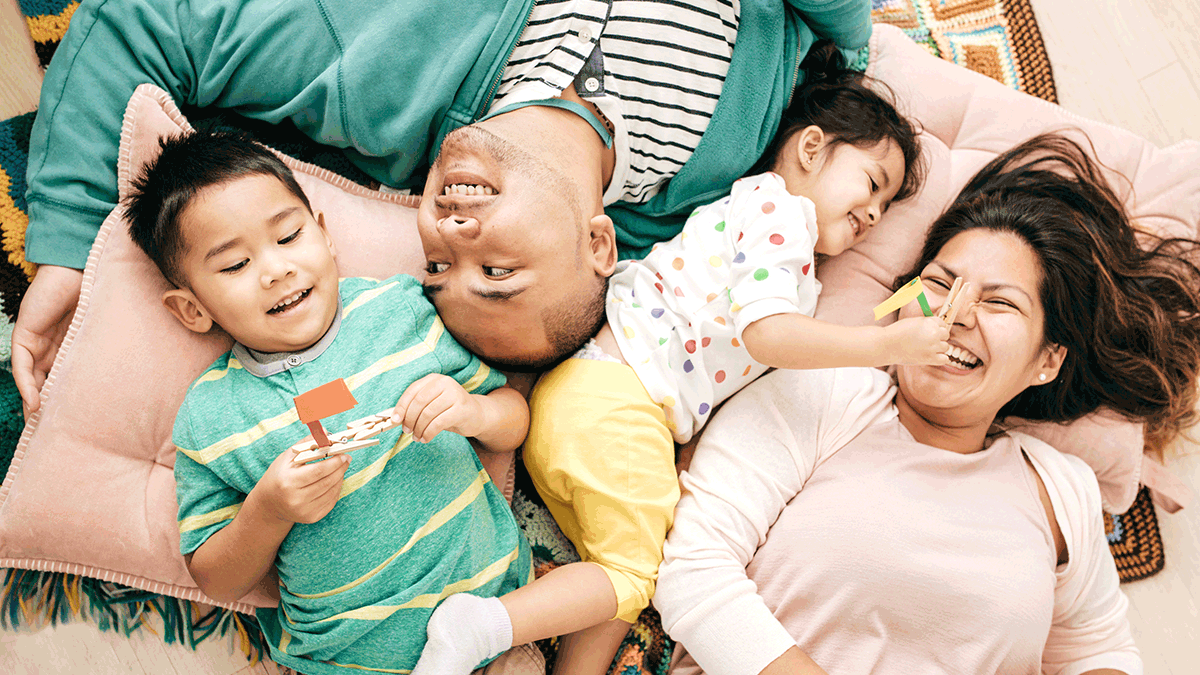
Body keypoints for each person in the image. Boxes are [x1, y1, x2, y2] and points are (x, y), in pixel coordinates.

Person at [15, 0, 875, 417]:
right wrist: (857, 39)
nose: (447, 232)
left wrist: (66, 244)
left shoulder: (372, 80)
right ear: (600, 244)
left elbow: (145, 22)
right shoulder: (713, 174)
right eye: (495, 269)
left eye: (434, 265)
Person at [413, 51, 938, 675]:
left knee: (616, 574)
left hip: (597, 400)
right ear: (811, 148)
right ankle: (481, 626)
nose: (873, 215)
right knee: (633, 575)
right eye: (873, 184)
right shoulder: (779, 215)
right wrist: (887, 347)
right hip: (617, 401)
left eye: (885, 210)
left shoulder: (777, 247)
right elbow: (769, 336)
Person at [653, 133, 1200, 675]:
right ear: (901, 303)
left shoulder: (1065, 492)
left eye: (1000, 302)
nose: (954, 315)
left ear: (1047, 361)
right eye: (939, 283)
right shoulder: (819, 394)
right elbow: (694, 571)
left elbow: (1099, 653)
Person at [124, 129, 535, 675]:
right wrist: (267, 511)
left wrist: (474, 411)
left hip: (497, 622)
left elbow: (515, 418)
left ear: (324, 234)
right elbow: (215, 579)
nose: (276, 270)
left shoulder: (400, 313)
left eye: (289, 236)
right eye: (235, 265)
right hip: (345, 660)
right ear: (193, 310)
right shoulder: (211, 417)